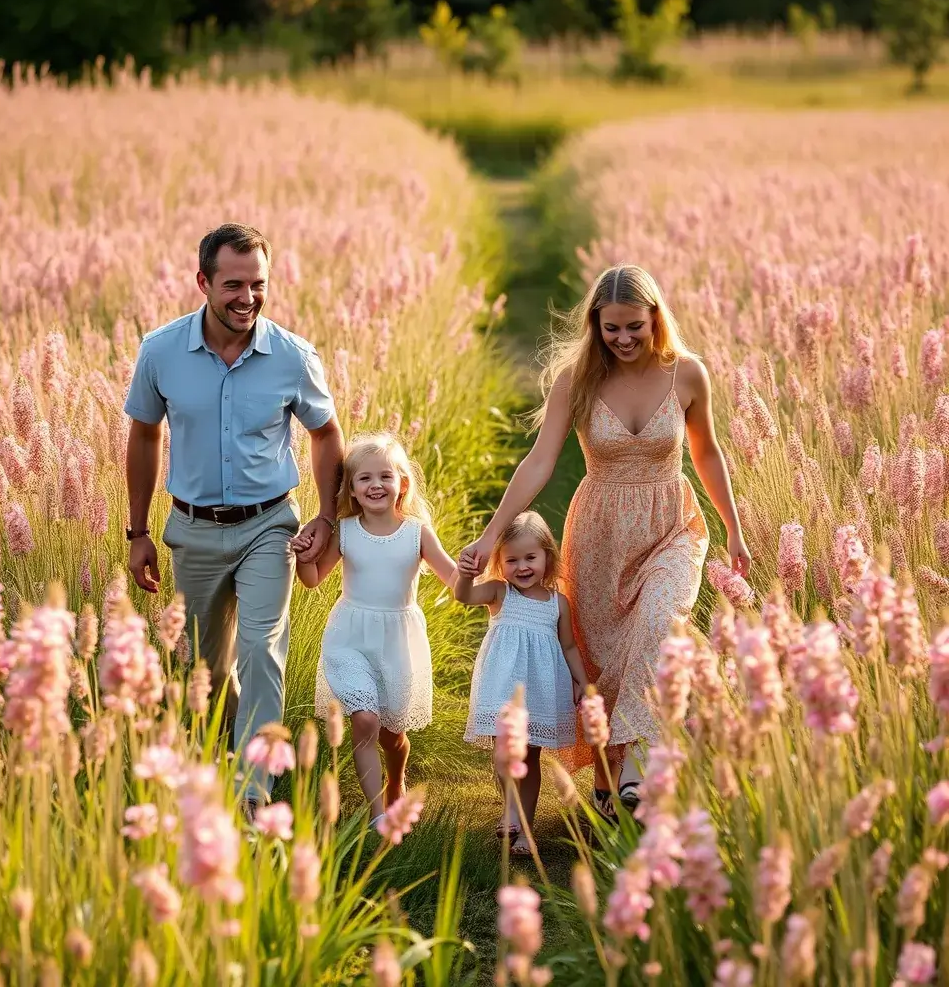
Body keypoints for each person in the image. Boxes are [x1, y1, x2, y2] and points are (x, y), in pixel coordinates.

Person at [459, 263, 750, 820]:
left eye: (633, 327)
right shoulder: (577, 377)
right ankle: (610, 777)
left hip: (671, 524)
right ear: (595, 323)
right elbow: (541, 460)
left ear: (655, 318)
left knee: (659, 624)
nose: (622, 339)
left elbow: (706, 453)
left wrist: (733, 528)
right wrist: (493, 532)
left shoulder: (687, 374)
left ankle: (639, 766)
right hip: (598, 528)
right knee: (602, 655)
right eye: (610, 328)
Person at [123, 223, 344, 815]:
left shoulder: (293, 357)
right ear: (203, 282)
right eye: (233, 285)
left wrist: (327, 518)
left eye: (258, 284)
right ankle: (220, 756)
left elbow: (326, 435)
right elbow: (144, 434)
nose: (247, 298)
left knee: (261, 648)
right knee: (203, 669)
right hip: (190, 529)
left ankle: (252, 793)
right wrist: (137, 530)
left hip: (269, 526)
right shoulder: (161, 351)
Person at [292, 432, 457, 825]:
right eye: (364, 478)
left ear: (403, 483)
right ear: (350, 488)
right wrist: (300, 557)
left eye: (385, 476)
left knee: (392, 736)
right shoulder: (346, 531)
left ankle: (396, 779)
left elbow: (454, 579)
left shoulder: (417, 532)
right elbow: (314, 579)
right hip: (350, 637)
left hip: (398, 642)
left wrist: (489, 588)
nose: (375, 485)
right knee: (364, 719)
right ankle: (378, 815)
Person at [456, 511, 586, 856]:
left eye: (531, 558)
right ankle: (510, 808)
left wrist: (582, 683)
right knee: (504, 749)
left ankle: (526, 830)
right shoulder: (500, 593)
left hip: (540, 688)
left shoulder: (558, 603)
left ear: (548, 556)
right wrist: (466, 575)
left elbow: (569, 647)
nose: (522, 567)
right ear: (499, 563)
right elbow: (463, 597)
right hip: (502, 684)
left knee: (529, 758)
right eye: (512, 560)